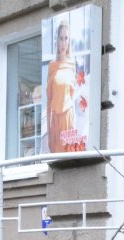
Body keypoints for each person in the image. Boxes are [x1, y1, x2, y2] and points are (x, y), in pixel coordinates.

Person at [44, 20, 79, 153]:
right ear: (57, 41)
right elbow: (48, 101)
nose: (63, 43)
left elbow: (72, 97)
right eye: (61, 38)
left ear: (69, 41)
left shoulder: (72, 65)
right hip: (55, 121)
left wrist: (74, 126)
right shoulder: (52, 66)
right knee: (56, 156)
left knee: (68, 157)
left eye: (66, 39)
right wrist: (48, 131)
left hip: (67, 119)